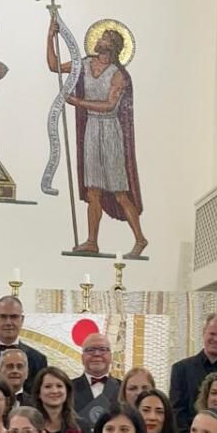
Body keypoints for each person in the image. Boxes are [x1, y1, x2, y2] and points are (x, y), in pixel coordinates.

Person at [47, 19, 148, 257]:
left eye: (105, 37)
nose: (99, 39)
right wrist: (50, 36)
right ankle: (92, 241)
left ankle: (140, 239)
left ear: (112, 46)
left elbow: (111, 105)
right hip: (92, 129)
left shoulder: (118, 75)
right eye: (101, 36)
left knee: (119, 192)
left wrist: (78, 102)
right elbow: (53, 66)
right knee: (93, 190)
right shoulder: (84, 64)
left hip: (110, 132)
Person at [32, 366, 85, 433]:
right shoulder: (30, 426)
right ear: (39, 393)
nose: (54, 391)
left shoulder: (81, 426)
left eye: (59, 386)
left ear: (67, 391)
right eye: (48, 386)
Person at [72, 333, 120, 433]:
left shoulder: (124, 387)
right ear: (82, 358)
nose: (97, 354)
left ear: (110, 356)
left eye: (102, 349)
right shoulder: (67, 388)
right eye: (90, 350)